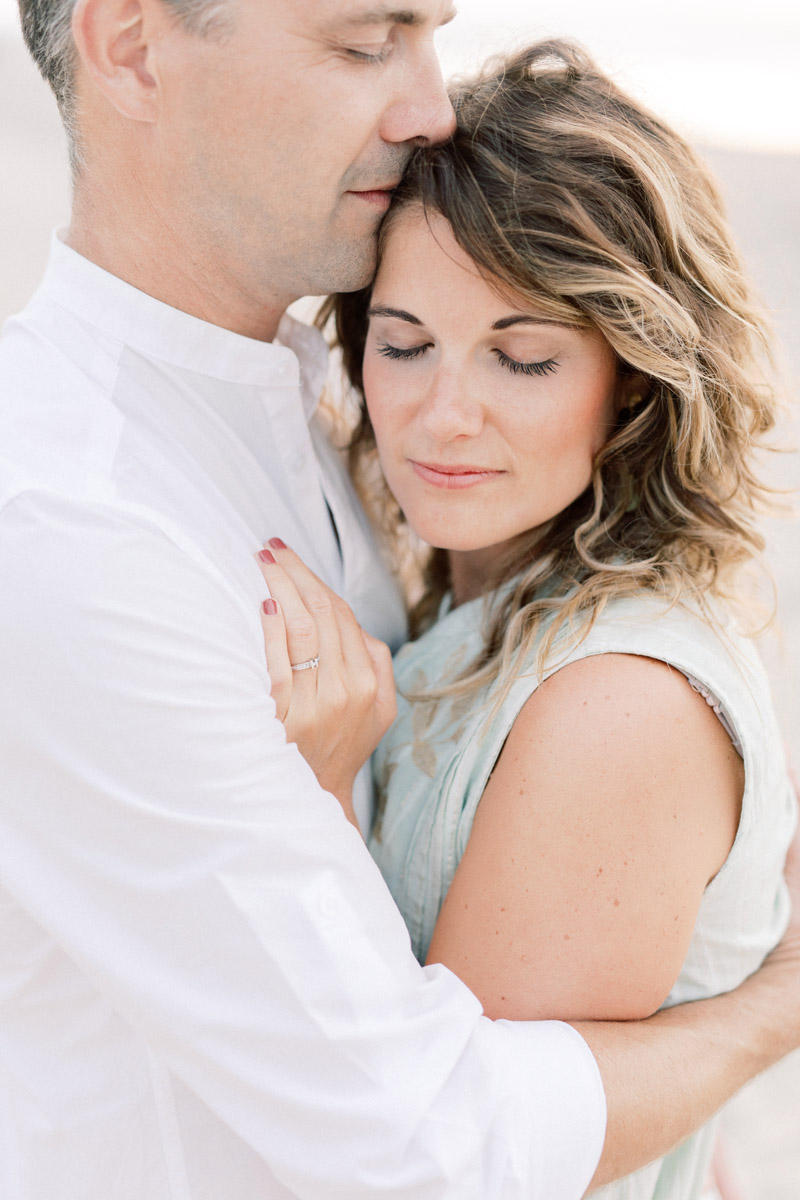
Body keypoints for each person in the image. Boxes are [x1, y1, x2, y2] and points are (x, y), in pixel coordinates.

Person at [0, 1, 798, 1197]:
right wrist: (764, 1016)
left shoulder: (320, 404)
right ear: (130, 44)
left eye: (519, 356)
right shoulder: (76, 521)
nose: (429, 107)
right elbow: (427, 1148)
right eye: (363, 42)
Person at [256, 37, 800, 1200]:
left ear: (633, 380)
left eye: (522, 359)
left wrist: (316, 800)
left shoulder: (617, 705)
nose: (442, 416)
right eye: (403, 345)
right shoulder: (476, 599)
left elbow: (447, 1161)